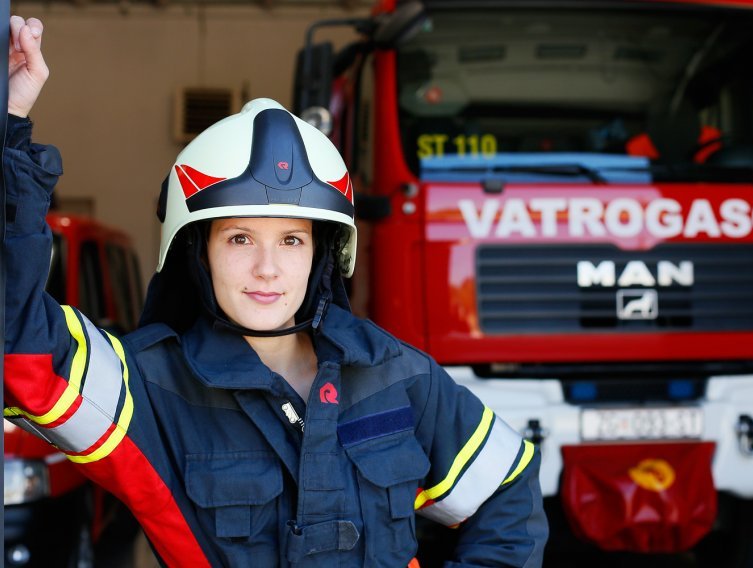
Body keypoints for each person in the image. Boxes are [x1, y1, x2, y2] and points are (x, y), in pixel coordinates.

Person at [3, 15, 548, 567]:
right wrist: (8, 127)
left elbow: (509, 491)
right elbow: (18, 349)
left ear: (321, 254)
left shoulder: (397, 374)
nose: (268, 268)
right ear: (197, 252)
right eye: (240, 238)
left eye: (291, 239)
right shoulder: (144, 390)